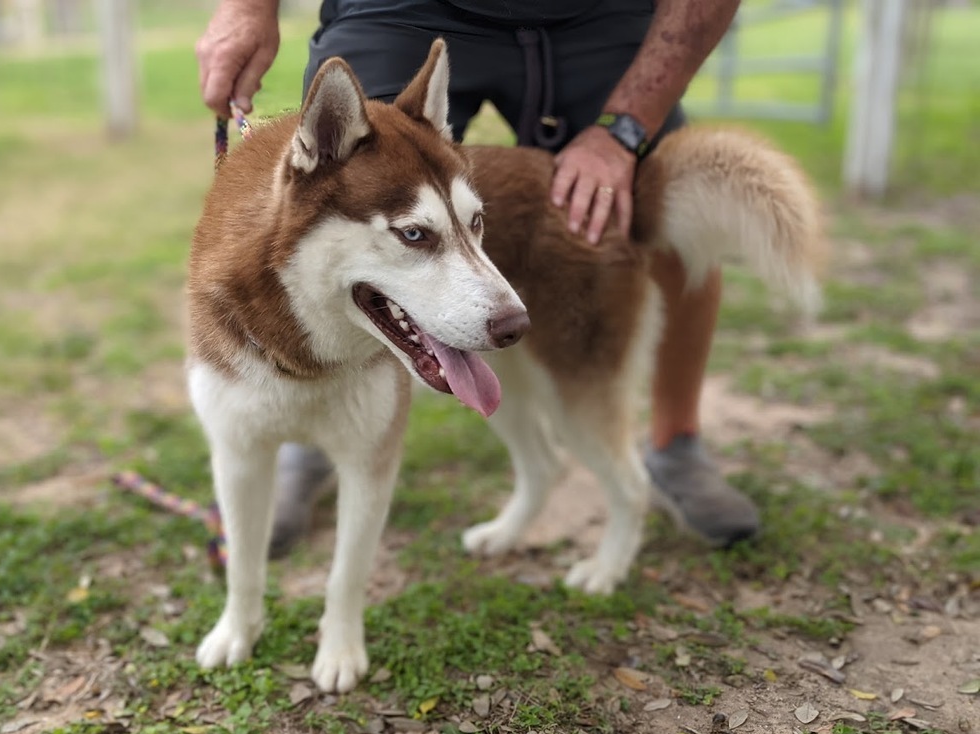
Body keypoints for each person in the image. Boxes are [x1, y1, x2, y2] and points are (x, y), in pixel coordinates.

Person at [195, 0, 758, 559]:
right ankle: (319, 436)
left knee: (634, 215)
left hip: (601, 12)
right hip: (397, 7)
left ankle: (676, 443)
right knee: (348, 208)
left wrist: (624, 130)